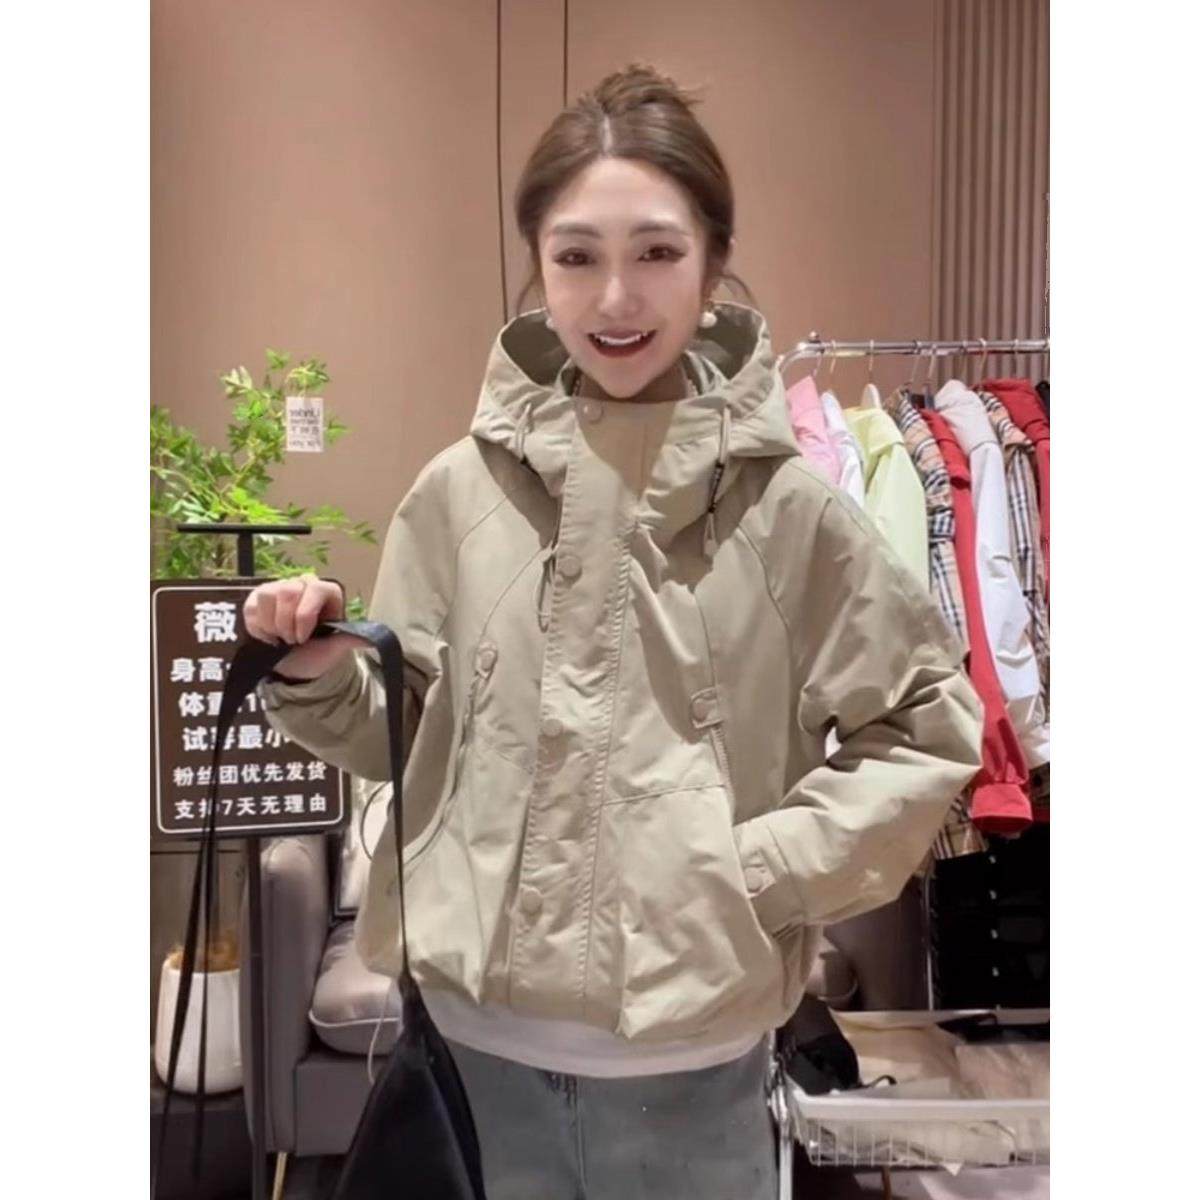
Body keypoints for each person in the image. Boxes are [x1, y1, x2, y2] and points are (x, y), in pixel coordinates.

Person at [243, 63, 984, 1200]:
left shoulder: (793, 517)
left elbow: (925, 733)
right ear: (537, 269)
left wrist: (750, 869)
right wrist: (314, 671)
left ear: (714, 265)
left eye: (657, 252)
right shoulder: (457, 495)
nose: (616, 297)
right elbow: (405, 732)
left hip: (695, 1074)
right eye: (578, 256)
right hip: (474, 1064)